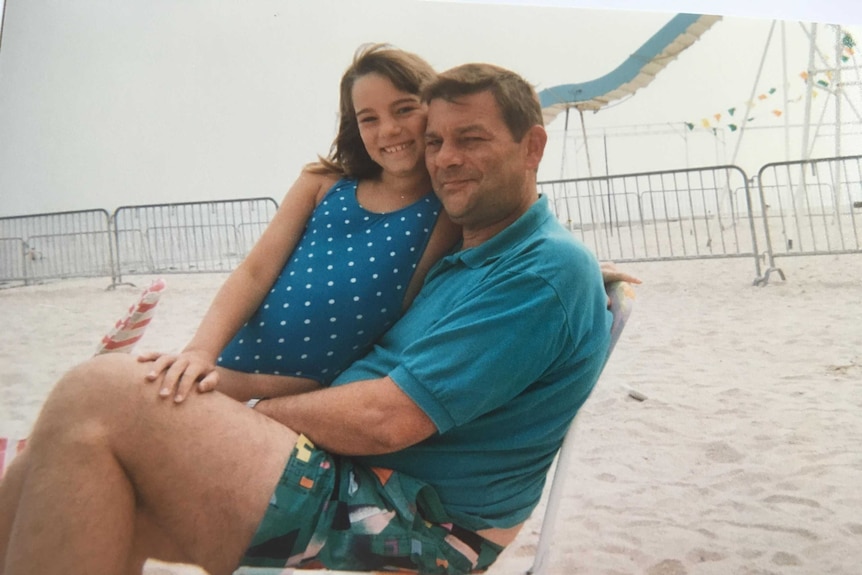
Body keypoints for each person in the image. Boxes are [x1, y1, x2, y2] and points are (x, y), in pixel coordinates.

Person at [0, 63, 620, 575]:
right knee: (54, 472)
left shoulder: (543, 272)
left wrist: (255, 415)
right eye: (435, 141)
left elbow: (386, 420)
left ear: (532, 145)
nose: (445, 158)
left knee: (100, 387)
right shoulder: (480, 253)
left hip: (412, 532)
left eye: (472, 139)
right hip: (352, 481)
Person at [141, 43, 460, 403]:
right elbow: (255, 272)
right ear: (354, 125)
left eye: (404, 109)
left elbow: (397, 318)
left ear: (433, 110)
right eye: (369, 118)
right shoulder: (323, 184)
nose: (388, 129)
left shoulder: (445, 211)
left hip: (300, 393)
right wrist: (199, 351)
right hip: (225, 363)